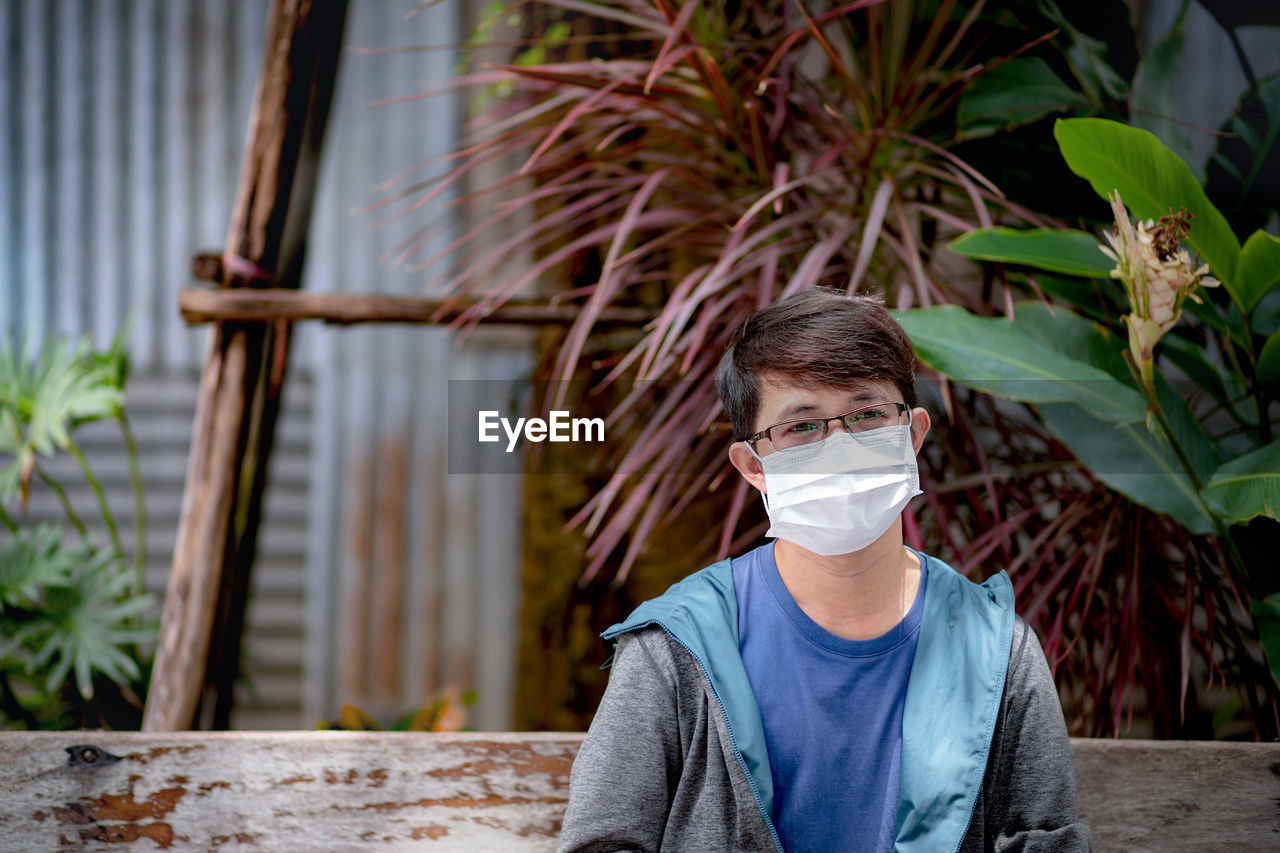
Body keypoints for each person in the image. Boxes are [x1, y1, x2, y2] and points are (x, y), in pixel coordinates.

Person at [558, 287, 1091, 853]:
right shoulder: (675, 649)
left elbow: (1047, 842)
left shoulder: (995, 651)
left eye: (867, 415)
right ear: (752, 465)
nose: (841, 447)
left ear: (912, 435)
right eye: (802, 427)